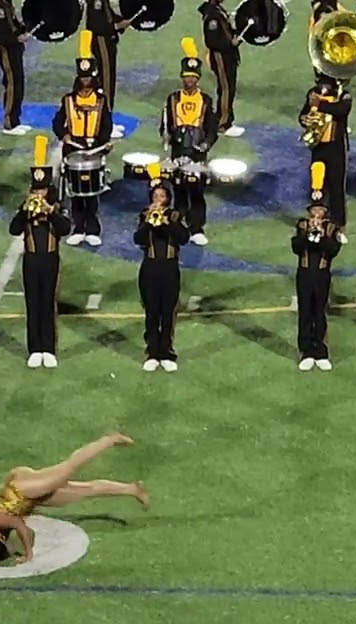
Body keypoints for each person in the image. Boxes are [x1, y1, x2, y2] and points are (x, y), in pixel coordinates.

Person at [0, 433, 147, 565]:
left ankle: (110, 440)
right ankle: (132, 489)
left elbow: (19, 525)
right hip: (27, 499)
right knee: (85, 490)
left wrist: (28, 554)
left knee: (69, 468)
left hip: (21, 489)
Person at [9, 135, 71, 369]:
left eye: (42, 190)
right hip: (31, 260)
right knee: (33, 304)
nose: (39, 194)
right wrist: (24, 211)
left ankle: (49, 348)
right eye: (36, 189)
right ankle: (34, 348)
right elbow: (14, 230)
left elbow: (65, 228)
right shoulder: (26, 207)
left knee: (48, 304)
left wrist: (49, 211)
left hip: (51, 260)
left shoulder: (57, 207)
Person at [52, 31, 114, 247]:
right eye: (82, 78)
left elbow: (107, 125)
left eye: (88, 78)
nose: (86, 81)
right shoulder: (68, 100)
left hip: (94, 149)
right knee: (76, 192)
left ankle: (93, 228)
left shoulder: (101, 100)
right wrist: (65, 135)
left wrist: (102, 145)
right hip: (74, 149)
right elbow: (57, 123)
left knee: (93, 192)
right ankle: (78, 228)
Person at [161, 38, 220, 246]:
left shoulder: (206, 100)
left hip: (197, 150)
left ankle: (196, 227)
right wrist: (166, 140)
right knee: (178, 188)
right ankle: (178, 226)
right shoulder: (172, 98)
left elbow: (212, 127)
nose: (190, 81)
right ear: (181, 78)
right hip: (178, 148)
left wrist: (206, 145)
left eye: (193, 77)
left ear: (198, 79)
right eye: (187, 77)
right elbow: (166, 121)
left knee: (196, 190)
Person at [135, 164, 190, 373]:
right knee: (151, 312)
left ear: (168, 196)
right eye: (155, 195)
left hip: (169, 268)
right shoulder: (144, 215)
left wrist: (166, 223)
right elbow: (138, 239)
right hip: (149, 267)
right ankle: (152, 351)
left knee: (168, 312)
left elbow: (183, 238)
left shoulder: (175, 215)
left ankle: (166, 352)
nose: (158, 199)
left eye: (162, 195)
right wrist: (149, 222)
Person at [293, 161, 341, 372]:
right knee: (305, 313)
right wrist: (307, 234)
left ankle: (320, 351)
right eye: (314, 210)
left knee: (319, 312)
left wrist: (320, 237)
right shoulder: (302, 225)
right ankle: (306, 351)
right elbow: (296, 247)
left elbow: (333, 250)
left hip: (322, 275)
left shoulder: (331, 228)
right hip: (303, 274)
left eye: (320, 210)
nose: (316, 215)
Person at [298, 75, 350, 231]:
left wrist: (319, 105)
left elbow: (341, 110)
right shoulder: (313, 93)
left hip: (336, 146)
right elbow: (303, 114)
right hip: (318, 145)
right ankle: (316, 222)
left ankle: (338, 225)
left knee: (336, 186)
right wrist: (304, 119)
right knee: (317, 183)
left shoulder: (343, 95)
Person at [199, 0, 244, 137]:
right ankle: (223, 124)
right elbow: (212, 41)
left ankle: (225, 119)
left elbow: (226, 31)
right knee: (226, 88)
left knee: (229, 87)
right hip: (221, 57)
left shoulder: (218, 11)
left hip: (227, 55)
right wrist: (231, 43)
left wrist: (237, 35)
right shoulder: (212, 15)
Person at [84, 2, 128, 139]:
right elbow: (96, 24)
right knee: (106, 81)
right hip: (102, 41)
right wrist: (116, 26)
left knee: (109, 80)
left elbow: (108, 15)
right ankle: (105, 124)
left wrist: (121, 21)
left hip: (107, 40)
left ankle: (105, 120)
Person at [0, 0, 32, 136]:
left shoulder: (6, 4)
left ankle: (15, 120)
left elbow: (13, 26)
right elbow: (0, 35)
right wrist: (18, 39)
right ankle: (9, 123)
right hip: (7, 51)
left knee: (18, 83)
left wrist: (24, 30)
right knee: (12, 84)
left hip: (14, 50)